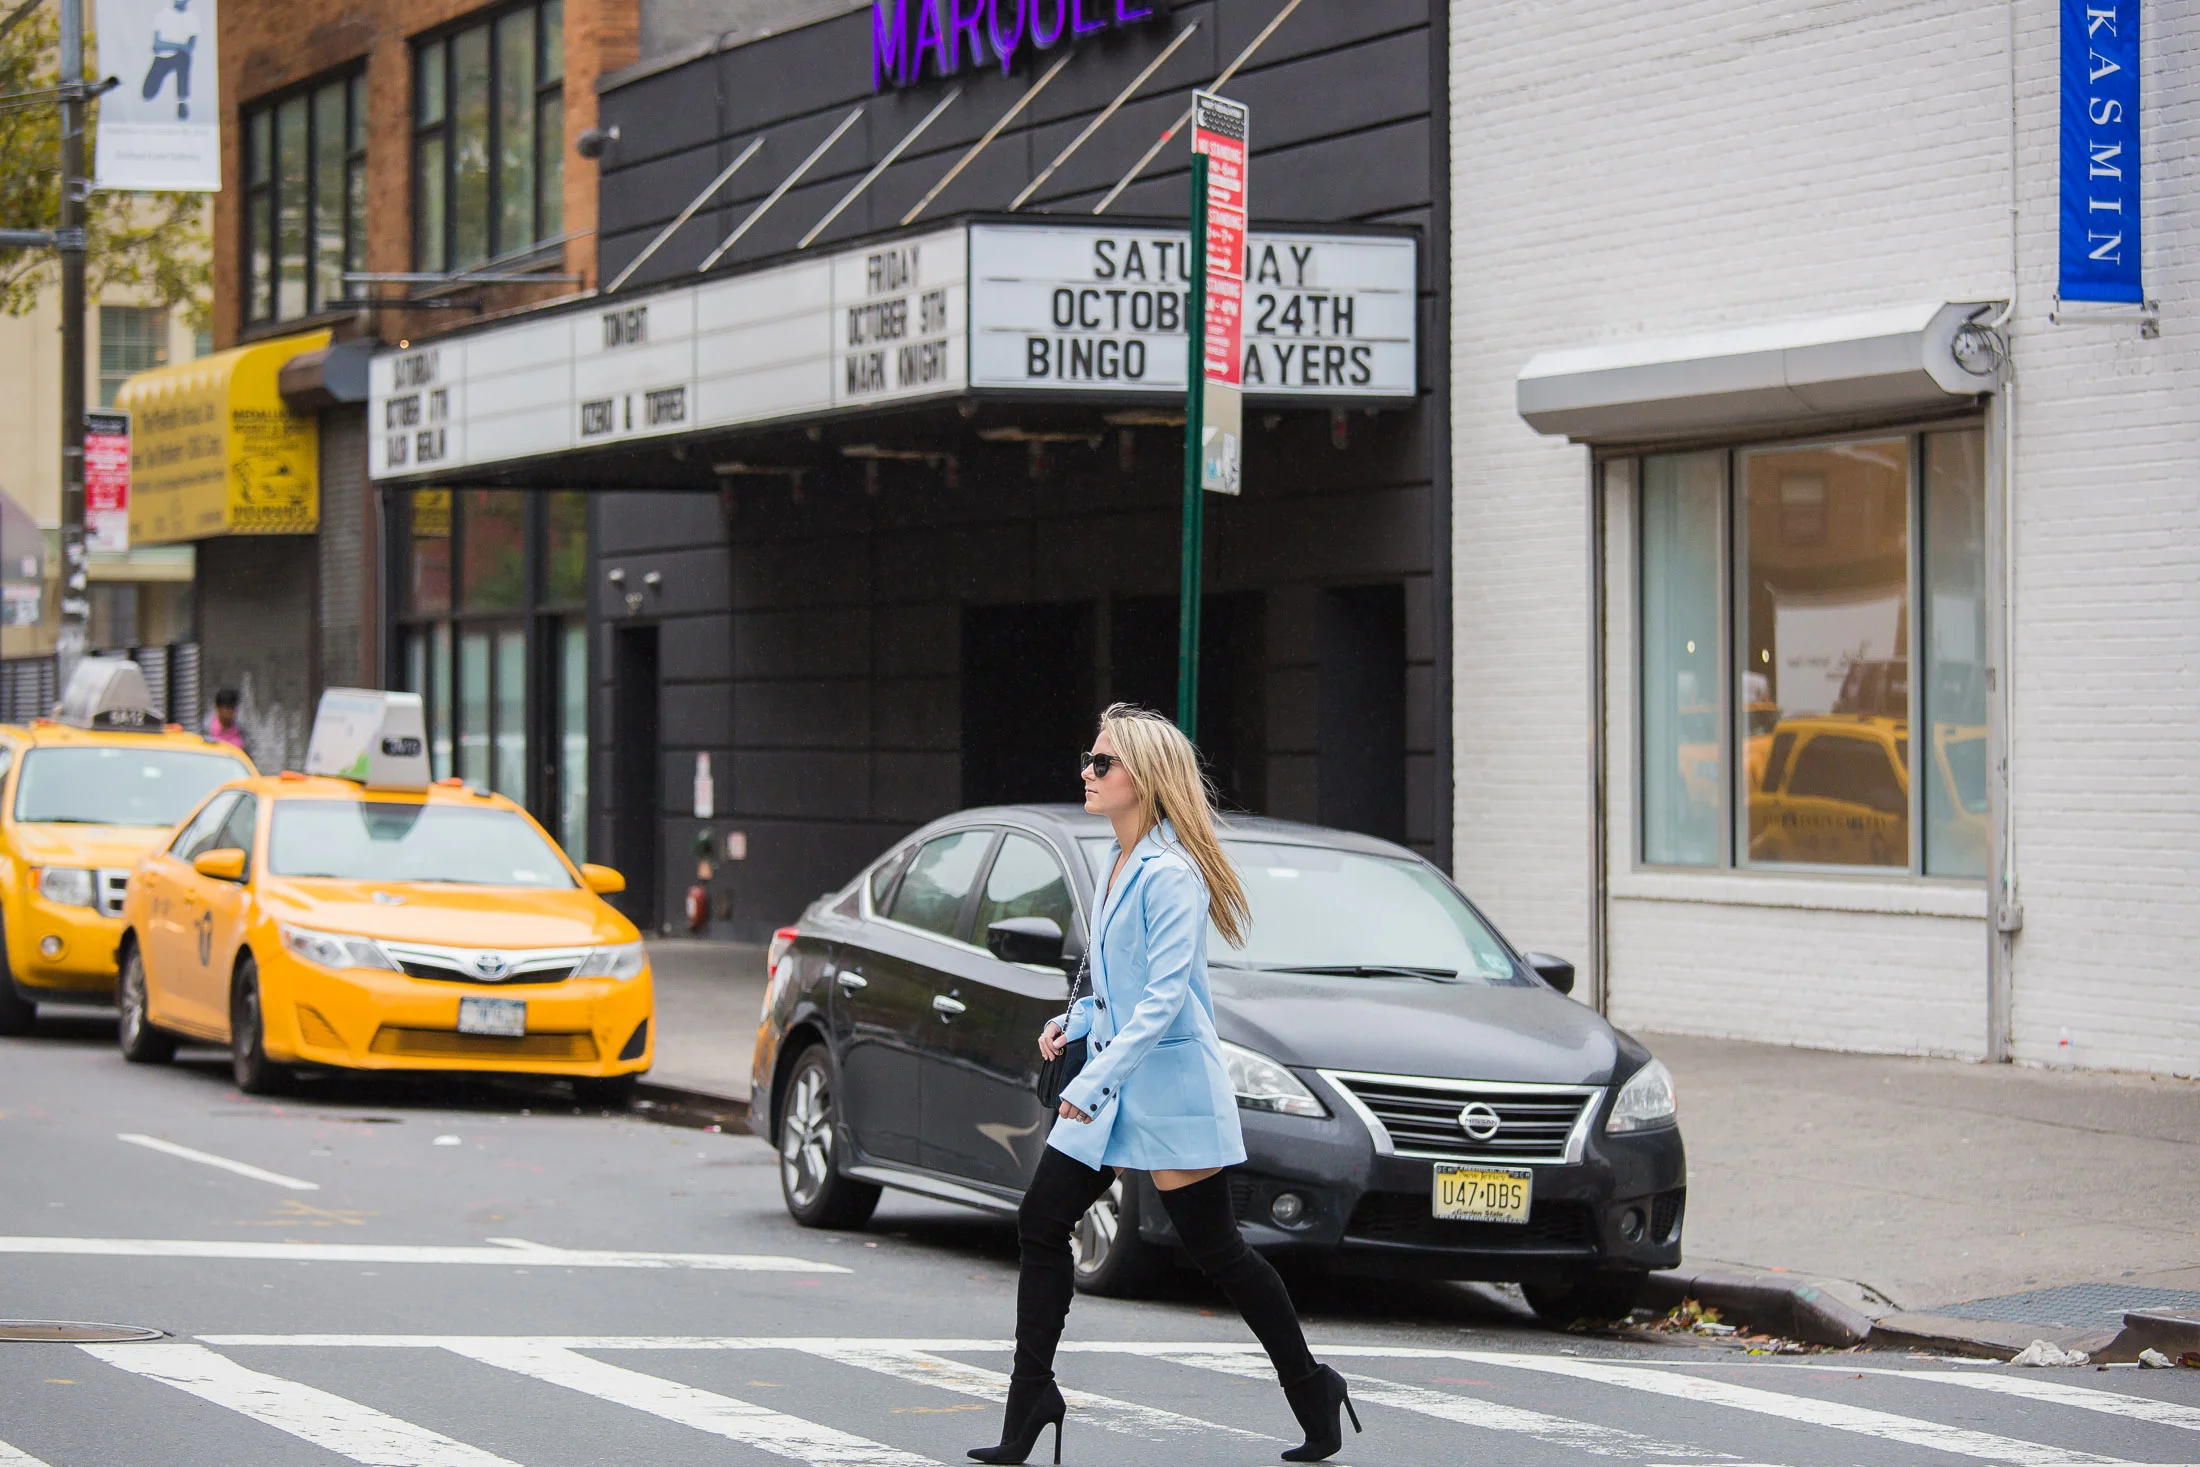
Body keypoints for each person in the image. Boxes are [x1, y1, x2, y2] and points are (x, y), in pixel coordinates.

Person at [969, 703, 1359, 1466]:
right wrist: (1071, 1023)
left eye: (1102, 762)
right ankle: (1031, 1399)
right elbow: (1119, 988)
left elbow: (1165, 997)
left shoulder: (1170, 873)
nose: (1086, 771)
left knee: (1218, 1250)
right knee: (1041, 1222)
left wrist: (1094, 1078)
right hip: (1111, 1084)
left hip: (1164, 1088)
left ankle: (1313, 1385)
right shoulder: (1118, 861)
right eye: (1089, 759)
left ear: (1142, 778)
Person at [142, 0, 199, 120]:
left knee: (185, 58)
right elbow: (157, 45)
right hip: (161, 58)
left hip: (180, 58)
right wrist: (180, 45)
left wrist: (169, 45)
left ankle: (182, 101)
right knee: (147, 94)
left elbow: (190, 47)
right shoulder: (163, 14)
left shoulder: (192, 18)